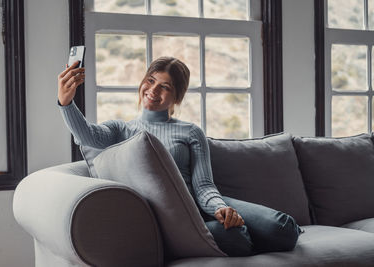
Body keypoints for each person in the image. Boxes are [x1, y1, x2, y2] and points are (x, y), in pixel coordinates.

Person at [57, 56, 302, 256]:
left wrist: (220, 208)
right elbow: (88, 136)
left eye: (165, 87)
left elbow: (203, 185)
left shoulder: (191, 131)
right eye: (150, 81)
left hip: (202, 204)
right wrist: (66, 103)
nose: (153, 90)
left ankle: (245, 234)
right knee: (235, 237)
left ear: (177, 96)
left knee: (283, 229)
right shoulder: (121, 130)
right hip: (171, 216)